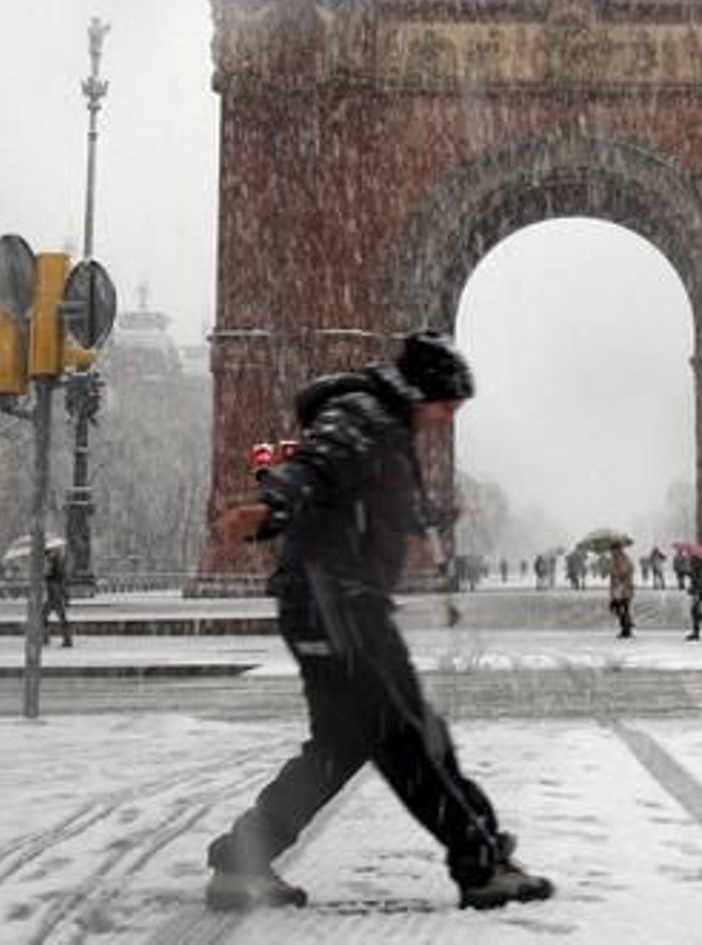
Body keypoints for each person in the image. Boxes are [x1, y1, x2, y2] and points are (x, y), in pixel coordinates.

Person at [205, 330, 554, 913]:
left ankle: (243, 861)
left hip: (332, 600)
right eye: (448, 406)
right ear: (423, 392)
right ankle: (479, 861)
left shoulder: (385, 425)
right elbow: (312, 470)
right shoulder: (360, 417)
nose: (448, 419)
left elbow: (365, 502)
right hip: (334, 602)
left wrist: (430, 516)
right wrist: (271, 508)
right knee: (407, 735)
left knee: (340, 746)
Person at [42, 544, 73, 648]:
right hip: (54, 592)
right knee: (46, 616)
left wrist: (46, 572)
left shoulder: (52, 561)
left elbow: (51, 575)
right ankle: (64, 639)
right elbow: (61, 578)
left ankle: (65, 639)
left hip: (54, 591)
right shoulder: (56, 560)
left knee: (45, 616)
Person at [608, 543, 636, 638]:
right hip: (618, 588)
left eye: (613, 550)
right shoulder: (615, 559)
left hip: (624, 588)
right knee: (619, 608)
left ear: (618, 549)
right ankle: (626, 626)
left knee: (621, 608)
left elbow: (625, 571)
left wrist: (617, 572)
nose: (611, 552)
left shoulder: (623, 558)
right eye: (611, 550)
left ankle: (626, 629)